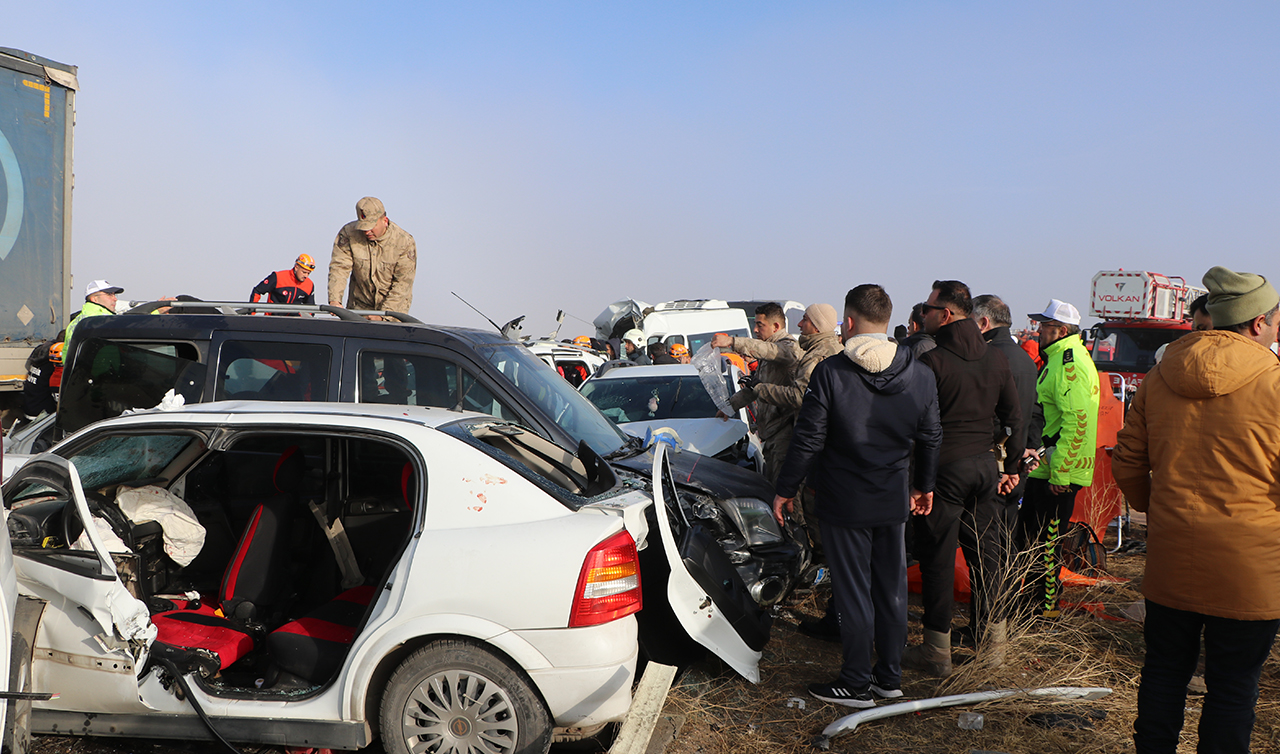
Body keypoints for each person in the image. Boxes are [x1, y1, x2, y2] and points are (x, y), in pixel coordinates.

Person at [1113, 266, 1280, 754]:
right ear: (1255, 324)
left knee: (1163, 674)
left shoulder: (1160, 376)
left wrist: (1156, 509)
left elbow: (1126, 460)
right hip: (1250, 569)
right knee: (1232, 689)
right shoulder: (1274, 384)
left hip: (1172, 560)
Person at [773, 284, 941, 708]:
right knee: (891, 589)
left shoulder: (832, 373)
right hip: (892, 497)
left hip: (844, 499)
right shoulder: (920, 374)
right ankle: (888, 677)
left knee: (853, 592)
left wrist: (784, 489)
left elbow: (808, 438)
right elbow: (932, 435)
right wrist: (925, 484)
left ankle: (855, 681)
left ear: (848, 323)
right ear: (888, 322)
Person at [906, 280, 1022, 677]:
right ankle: (994, 648)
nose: (923, 313)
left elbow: (918, 427)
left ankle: (936, 652)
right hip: (984, 469)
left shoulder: (932, 362)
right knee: (986, 556)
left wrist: (918, 480)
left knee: (938, 559)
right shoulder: (996, 359)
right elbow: (1015, 417)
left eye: (928, 307)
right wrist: (1011, 469)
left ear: (947, 314)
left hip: (944, 469)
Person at [1016, 299, 1099, 621]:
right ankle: (1032, 599)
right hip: (1047, 467)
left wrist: (1061, 475)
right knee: (1032, 539)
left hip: (1058, 472)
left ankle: (1046, 606)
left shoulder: (1069, 363)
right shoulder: (1057, 358)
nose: (1038, 331)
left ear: (1060, 331)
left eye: (1044, 327)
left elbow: (1077, 420)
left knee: (1047, 543)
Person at [711, 302, 801, 484]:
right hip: (770, 432)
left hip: (784, 431)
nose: (756, 330)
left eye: (760, 325)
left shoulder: (787, 347)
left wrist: (732, 342)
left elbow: (771, 351)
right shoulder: (769, 353)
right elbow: (754, 388)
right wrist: (729, 407)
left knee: (784, 492)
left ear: (776, 327)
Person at [328, 197, 417, 319]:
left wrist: (382, 316)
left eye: (371, 226)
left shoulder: (404, 242)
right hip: (359, 309)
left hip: (393, 314)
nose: (367, 231)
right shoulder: (348, 234)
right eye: (363, 226)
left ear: (384, 220)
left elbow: (402, 284)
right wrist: (335, 300)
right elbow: (339, 267)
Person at [64, 280, 124, 352]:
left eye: (114, 295)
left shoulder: (76, 321)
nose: (115, 299)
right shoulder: (102, 320)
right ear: (95, 299)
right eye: (109, 294)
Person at [251, 254, 317, 306]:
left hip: (295, 321)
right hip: (274, 320)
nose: (306, 276)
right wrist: (251, 314)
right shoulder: (278, 277)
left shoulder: (309, 285)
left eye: (309, 273)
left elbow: (310, 307)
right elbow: (257, 291)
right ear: (296, 267)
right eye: (304, 272)